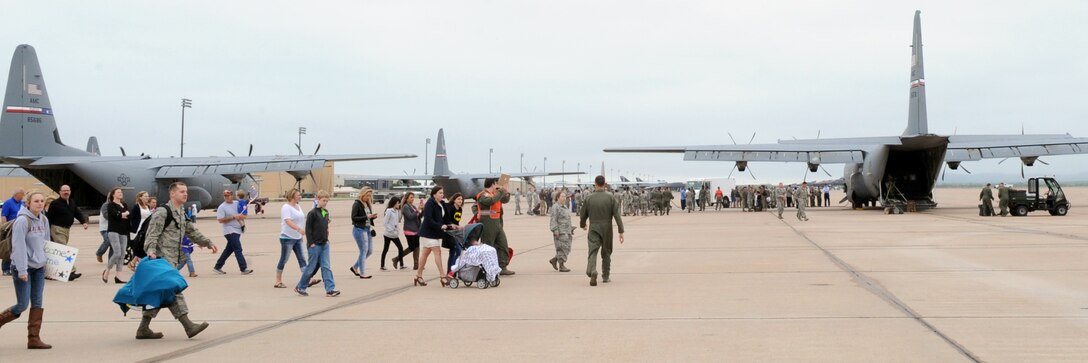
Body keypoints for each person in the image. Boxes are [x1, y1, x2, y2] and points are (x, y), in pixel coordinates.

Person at [139, 182, 220, 340]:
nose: (185, 194)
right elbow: (151, 234)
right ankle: (188, 325)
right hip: (162, 259)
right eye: (182, 192)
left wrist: (207, 242)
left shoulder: (181, 211)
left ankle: (143, 328)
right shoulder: (162, 212)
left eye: (186, 192)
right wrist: (151, 251)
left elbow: (191, 230)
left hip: (174, 258)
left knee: (160, 293)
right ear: (172, 194)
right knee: (173, 289)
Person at [0, 191, 53, 349]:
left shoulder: (43, 219)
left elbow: (46, 243)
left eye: (42, 201)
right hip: (23, 268)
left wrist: (48, 265)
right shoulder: (22, 221)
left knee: (37, 302)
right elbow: (18, 247)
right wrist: (22, 270)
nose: (40, 203)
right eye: (36, 201)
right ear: (28, 203)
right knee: (22, 304)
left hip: (39, 268)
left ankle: (34, 339)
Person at [579, 176, 624, 286]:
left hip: (594, 226)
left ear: (595, 184)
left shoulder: (589, 198)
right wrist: (621, 231)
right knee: (606, 252)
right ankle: (605, 276)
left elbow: (583, 214)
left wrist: (583, 225)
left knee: (593, 250)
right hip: (607, 228)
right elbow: (617, 215)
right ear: (605, 184)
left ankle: (593, 270)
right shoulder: (610, 197)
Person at [295, 190, 339, 297]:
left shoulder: (325, 212)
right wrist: (311, 243)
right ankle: (301, 286)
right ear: (318, 200)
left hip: (324, 244)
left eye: (326, 201)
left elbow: (325, 225)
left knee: (326, 266)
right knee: (311, 267)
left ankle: (330, 289)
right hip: (315, 245)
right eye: (323, 200)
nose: (325, 203)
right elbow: (308, 229)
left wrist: (327, 238)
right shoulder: (312, 213)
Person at [45, 185, 88, 281]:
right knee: (64, 251)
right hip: (57, 229)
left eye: (67, 190)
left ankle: (54, 272)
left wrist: (83, 222)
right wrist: (47, 232)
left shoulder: (71, 202)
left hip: (66, 230)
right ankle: (71, 272)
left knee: (60, 252)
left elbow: (77, 212)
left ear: (70, 191)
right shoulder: (55, 204)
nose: (66, 192)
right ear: (59, 192)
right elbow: (49, 218)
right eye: (64, 191)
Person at [275, 189, 312, 289]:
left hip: (297, 237)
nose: (300, 196)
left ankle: (307, 279)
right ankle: (278, 281)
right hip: (287, 237)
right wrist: (299, 229)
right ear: (292, 196)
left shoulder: (298, 206)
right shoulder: (286, 207)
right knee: (284, 259)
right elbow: (287, 221)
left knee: (302, 258)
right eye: (298, 195)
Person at [413, 186, 449, 287]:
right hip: (428, 233)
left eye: (442, 193)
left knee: (425, 254)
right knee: (437, 252)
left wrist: (451, 225)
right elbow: (428, 220)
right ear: (434, 194)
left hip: (435, 233)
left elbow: (445, 217)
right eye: (440, 193)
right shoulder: (429, 204)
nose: (442, 195)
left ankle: (418, 275)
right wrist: (440, 226)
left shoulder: (441, 203)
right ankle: (442, 276)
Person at [477, 178, 514, 275]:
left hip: (497, 222)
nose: (497, 186)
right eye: (496, 184)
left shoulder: (495, 194)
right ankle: (486, 267)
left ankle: (502, 267)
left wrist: (506, 192)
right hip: (488, 222)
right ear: (492, 184)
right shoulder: (483, 195)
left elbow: (505, 200)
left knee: (503, 244)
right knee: (488, 245)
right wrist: (501, 190)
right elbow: (491, 201)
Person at [213, 190, 252, 275]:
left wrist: (243, 218)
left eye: (228, 195)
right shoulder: (222, 207)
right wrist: (233, 217)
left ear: (232, 195)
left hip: (238, 230)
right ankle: (243, 268)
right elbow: (220, 220)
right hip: (229, 230)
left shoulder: (236, 203)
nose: (226, 197)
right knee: (238, 249)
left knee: (229, 250)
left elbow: (243, 213)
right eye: (225, 196)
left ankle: (217, 266)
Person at [104, 187, 131, 284]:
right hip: (113, 230)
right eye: (118, 192)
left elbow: (127, 215)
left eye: (121, 192)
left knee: (122, 254)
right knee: (117, 253)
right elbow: (116, 215)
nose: (121, 193)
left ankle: (118, 276)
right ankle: (107, 270)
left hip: (124, 231)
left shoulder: (124, 204)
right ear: (113, 194)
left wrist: (123, 214)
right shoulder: (111, 205)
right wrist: (122, 214)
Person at [349, 188, 377, 279]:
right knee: (364, 251)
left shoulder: (367, 204)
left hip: (368, 229)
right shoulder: (356, 204)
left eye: (369, 196)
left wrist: (372, 217)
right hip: (359, 229)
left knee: (369, 251)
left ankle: (355, 267)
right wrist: (366, 216)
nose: (368, 197)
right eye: (367, 195)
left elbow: (367, 218)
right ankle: (362, 272)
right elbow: (354, 218)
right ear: (362, 194)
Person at [393, 192, 422, 270]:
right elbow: (410, 217)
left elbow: (418, 216)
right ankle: (396, 259)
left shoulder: (413, 206)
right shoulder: (405, 207)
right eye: (411, 197)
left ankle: (416, 265)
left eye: (413, 197)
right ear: (406, 198)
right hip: (409, 229)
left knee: (417, 247)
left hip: (416, 229)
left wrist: (422, 209)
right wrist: (417, 210)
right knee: (412, 247)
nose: (412, 199)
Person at [1, 188, 26, 276]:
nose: (23, 196)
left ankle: (16, 267)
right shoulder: (8, 203)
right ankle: (6, 268)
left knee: (17, 248)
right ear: (17, 194)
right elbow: (4, 216)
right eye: (22, 194)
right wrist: (5, 228)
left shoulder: (22, 203)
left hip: (20, 228)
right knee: (9, 248)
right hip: (10, 228)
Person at [549, 191, 574, 272]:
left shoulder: (565, 207)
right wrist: (555, 230)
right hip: (560, 232)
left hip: (567, 231)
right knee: (562, 248)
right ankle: (561, 265)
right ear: (558, 198)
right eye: (562, 196)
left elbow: (567, 219)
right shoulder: (555, 207)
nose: (564, 198)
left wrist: (571, 228)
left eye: (565, 196)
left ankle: (554, 259)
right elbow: (553, 219)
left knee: (567, 248)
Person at [381, 196, 406, 270]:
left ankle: (401, 264)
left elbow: (397, 221)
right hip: (388, 234)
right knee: (386, 249)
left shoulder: (397, 211)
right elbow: (385, 223)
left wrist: (396, 230)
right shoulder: (389, 211)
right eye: (398, 203)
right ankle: (382, 265)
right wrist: (391, 229)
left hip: (394, 234)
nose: (399, 205)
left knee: (400, 248)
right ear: (394, 203)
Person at [443, 193, 465, 273]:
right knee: (458, 252)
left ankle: (450, 271)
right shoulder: (450, 208)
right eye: (458, 199)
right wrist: (455, 226)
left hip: (456, 232)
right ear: (454, 200)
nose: (460, 201)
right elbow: (448, 221)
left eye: (461, 199)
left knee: (453, 252)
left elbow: (457, 221)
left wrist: (458, 227)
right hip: (449, 233)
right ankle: (451, 271)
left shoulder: (460, 209)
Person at [94, 198, 112, 264]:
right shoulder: (106, 205)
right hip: (104, 228)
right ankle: (99, 253)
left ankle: (111, 260)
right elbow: (106, 215)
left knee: (114, 243)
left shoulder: (118, 205)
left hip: (114, 227)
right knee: (108, 240)